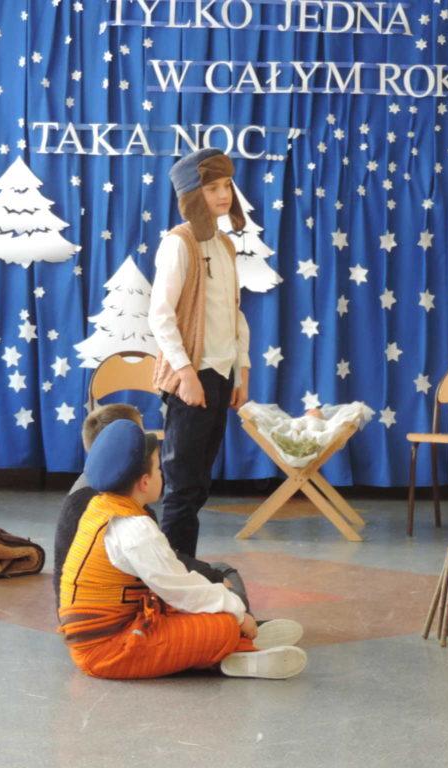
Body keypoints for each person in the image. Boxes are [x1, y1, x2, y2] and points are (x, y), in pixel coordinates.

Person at [58, 420, 306, 680]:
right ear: (144, 482)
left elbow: (174, 585)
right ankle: (238, 643)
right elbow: (182, 590)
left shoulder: (101, 506)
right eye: (158, 469)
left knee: (208, 606)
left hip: (116, 628)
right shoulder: (135, 529)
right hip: (105, 651)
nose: (162, 475)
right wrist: (237, 613)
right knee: (223, 623)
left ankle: (238, 644)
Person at [148, 148, 250, 557]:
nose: (223, 194)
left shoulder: (224, 245)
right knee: (182, 482)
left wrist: (241, 373)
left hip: (221, 375)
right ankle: (172, 571)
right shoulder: (179, 243)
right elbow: (160, 315)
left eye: (226, 185)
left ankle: (182, 564)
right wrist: (186, 374)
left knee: (199, 483)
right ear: (193, 194)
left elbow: (234, 314)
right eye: (211, 188)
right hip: (193, 376)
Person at [52, 403, 250, 613]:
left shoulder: (99, 493)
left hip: (85, 606)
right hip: (107, 612)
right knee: (225, 580)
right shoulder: (117, 507)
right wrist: (220, 588)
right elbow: (170, 581)